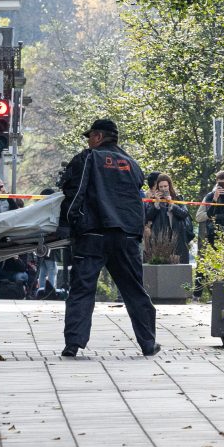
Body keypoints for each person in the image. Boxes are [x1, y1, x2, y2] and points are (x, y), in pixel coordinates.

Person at [59, 118, 160, 357]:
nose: (89, 141)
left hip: (93, 234)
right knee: (134, 290)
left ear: (98, 136)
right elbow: (136, 200)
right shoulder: (133, 164)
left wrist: (70, 224)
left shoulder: (88, 158)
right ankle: (148, 343)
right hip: (126, 236)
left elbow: (73, 192)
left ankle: (73, 344)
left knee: (82, 289)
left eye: (90, 136)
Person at [144, 173, 193, 264]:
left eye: (165, 186)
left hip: (178, 236)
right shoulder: (154, 199)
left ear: (169, 186)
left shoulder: (178, 197)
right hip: (161, 237)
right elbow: (148, 217)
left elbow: (184, 214)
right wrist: (156, 204)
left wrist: (172, 204)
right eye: (161, 186)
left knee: (179, 265)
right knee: (163, 264)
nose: (163, 189)